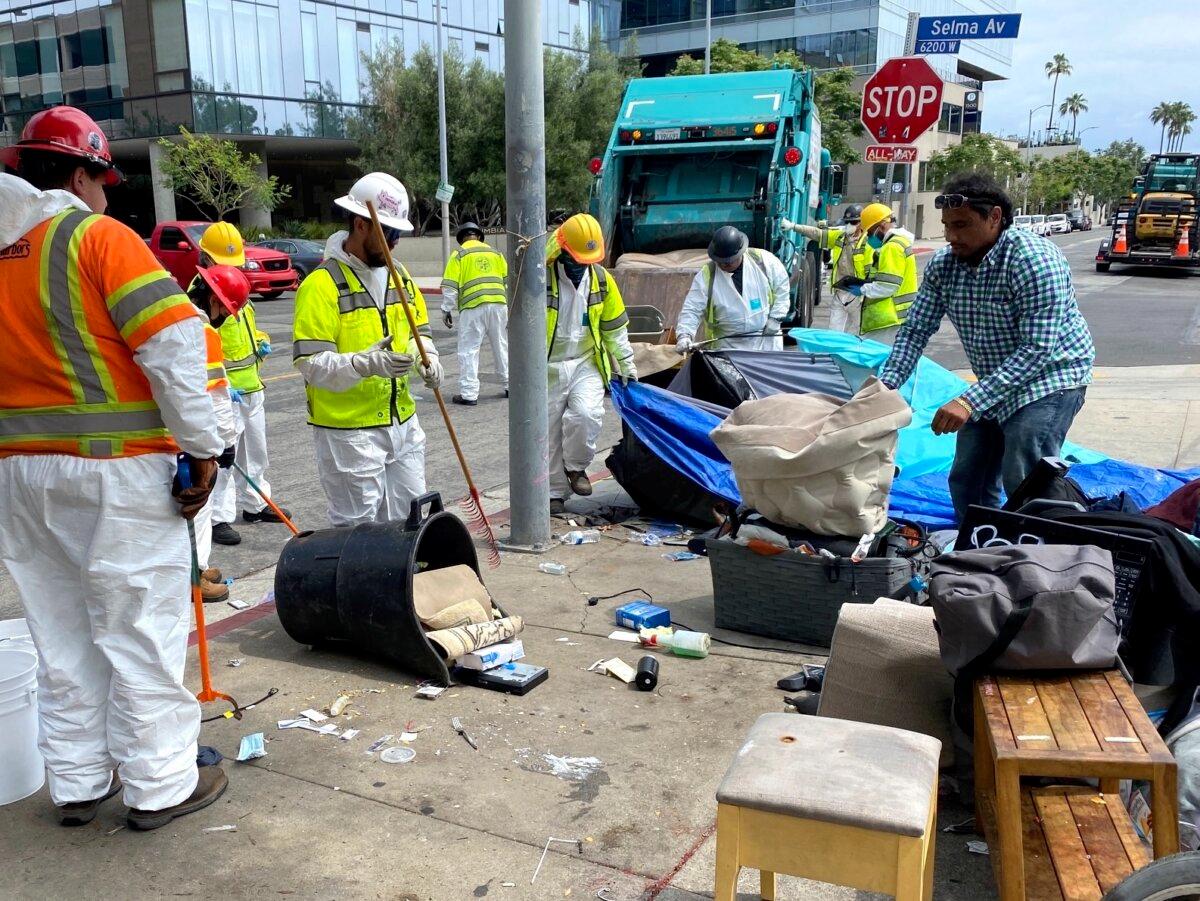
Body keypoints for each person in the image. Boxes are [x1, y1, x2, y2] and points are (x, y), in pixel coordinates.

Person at [0, 107, 228, 830]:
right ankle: (161, 784)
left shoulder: (3, 253)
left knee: (61, 636)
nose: (107, 194)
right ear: (78, 174)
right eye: (102, 179)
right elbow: (172, 349)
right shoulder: (99, 240)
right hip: (116, 476)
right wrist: (203, 451)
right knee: (139, 632)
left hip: (21, 479)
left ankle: (76, 781)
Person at [879, 172, 1094, 523]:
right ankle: (979, 548)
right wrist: (883, 389)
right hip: (997, 381)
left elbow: (1038, 349)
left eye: (961, 225)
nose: (951, 236)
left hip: (1052, 378)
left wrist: (967, 401)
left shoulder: (1035, 260)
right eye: (947, 226)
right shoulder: (944, 266)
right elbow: (915, 330)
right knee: (968, 473)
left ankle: (1041, 549)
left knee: (1024, 469)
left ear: (994, 217)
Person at [292, 171, 443, 527]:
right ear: (361, 225)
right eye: (387, 234)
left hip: (401, 422)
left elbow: (420, 330)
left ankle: (400, 582)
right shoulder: (321, 285)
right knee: (359, 527)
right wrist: (363, 365)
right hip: (349, 432)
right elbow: (310, 364)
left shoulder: (400, 277)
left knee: (410, 519)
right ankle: (361, 584)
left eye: (396, 236)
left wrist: (430, 359)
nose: (394, 245)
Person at [546, 213, 637, 514]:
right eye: (575, 259)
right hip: (547, 366)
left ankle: (576, 469)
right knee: (548, 433)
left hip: (585, 361)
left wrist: (626, 364)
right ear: (562, 251)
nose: (580, 266)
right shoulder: (541, 278)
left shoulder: (601, 280)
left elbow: (615, 329)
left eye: (586, 260)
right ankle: (553, 493)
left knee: (586, 415)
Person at [187, 265, 252, 603]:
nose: (224, 319)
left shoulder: (175, 316)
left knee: (188, 505)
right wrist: (227, 443)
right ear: (214, 300)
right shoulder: (203, 331)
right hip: (195, 435)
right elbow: (216, 396)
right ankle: (193, 577)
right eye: (225, 311)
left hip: (175, 430)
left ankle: (198, 564)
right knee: (199, 505)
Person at [675, 226, 791, 353]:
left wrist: (776, 317)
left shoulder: (763, 261)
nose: (725, 265)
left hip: (765, 342)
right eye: (721, 261)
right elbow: (692, 308)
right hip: (728, 347)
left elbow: (782, 288)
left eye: (730, 261)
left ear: (740, 253)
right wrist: (684, 335)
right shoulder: (706, 276)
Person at [439, 222, 509, 406]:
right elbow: (507, 281)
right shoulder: (496, 254)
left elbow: (450, 287)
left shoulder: (459, 255)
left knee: (469, 350)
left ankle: (469, 394)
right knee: (501, 345)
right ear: (479, 236)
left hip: (473, 308)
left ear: (461, 238)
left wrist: (446, 309)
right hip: (498, 305)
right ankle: (510, 385)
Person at [782, 204, 871, 334]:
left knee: (857, 332)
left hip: (859, 295)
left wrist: (866, 291)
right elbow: (817, 234)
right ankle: (834, 353)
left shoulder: (868, 243)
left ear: (861, 223)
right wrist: (793, 226)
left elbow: (872, 272)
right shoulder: (840, 237)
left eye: (853, 222)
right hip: (841, 292)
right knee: (834, 332)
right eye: (848, 222)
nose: (850, 225)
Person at [854, 202, 919, 345]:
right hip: (895, 318)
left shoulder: (891, 247)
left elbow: (887, 286)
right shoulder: (899, 243)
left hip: (888, 319)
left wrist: (862, 288)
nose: (870, 238)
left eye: (870, 232)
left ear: (882, 225)